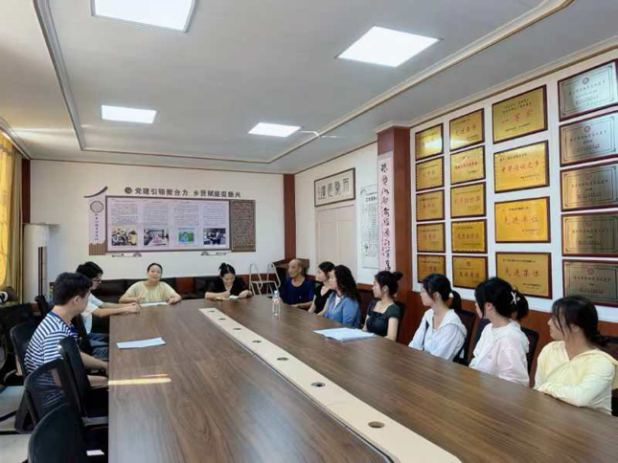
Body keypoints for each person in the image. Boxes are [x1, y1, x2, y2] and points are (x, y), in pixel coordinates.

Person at [535, 296, 618, 415]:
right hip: (553, 417)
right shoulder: (550, 349)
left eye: (555, 319)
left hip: (590, 424)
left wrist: (547, 387)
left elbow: (580, 398)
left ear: (575, 326)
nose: (549, 323)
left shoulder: (602, 363)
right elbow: (537, 390)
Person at [25, 273, 108, 388]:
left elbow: (74, 354)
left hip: (65, 384)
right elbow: (61, 380)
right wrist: (106, 381)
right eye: (87, 297)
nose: (88, 302)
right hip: (55, 393)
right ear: (77, 300)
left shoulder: (59, 320)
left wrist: (105, 365)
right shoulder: (55, 331)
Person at [469, 277, 530, 386]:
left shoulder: (511, 337)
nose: (475, 304)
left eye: (477, 301)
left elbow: (514, 383)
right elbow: (476, 360)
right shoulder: (488, 328)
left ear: (488, 305)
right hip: (479, 387)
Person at [75, 262, 140, 360]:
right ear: (86, 279)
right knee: (117, 349)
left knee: (118, 338)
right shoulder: (80, 295)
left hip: (88, 334)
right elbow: (100, 313)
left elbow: (103, 305)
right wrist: (126, 309)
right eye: (97, 280)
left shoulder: (87, 291)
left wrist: (128, 305)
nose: (99, 282)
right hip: (82, 340)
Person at [409, 274, 466, 361]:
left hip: (438, 368)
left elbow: (439, 359)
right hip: (422, 363)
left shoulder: (452, 324)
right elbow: (415, 345)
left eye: (423, 291)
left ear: (436, 295)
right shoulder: (428, 315)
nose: (420, 294)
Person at [363, 271, 403, 341]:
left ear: (385, 288)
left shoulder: (393, 309)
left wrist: (372, 342)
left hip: (382, 346)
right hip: (367, 343)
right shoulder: (373, 303)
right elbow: (365, 329)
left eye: (375, 285)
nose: (372, 288)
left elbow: (391, 338)